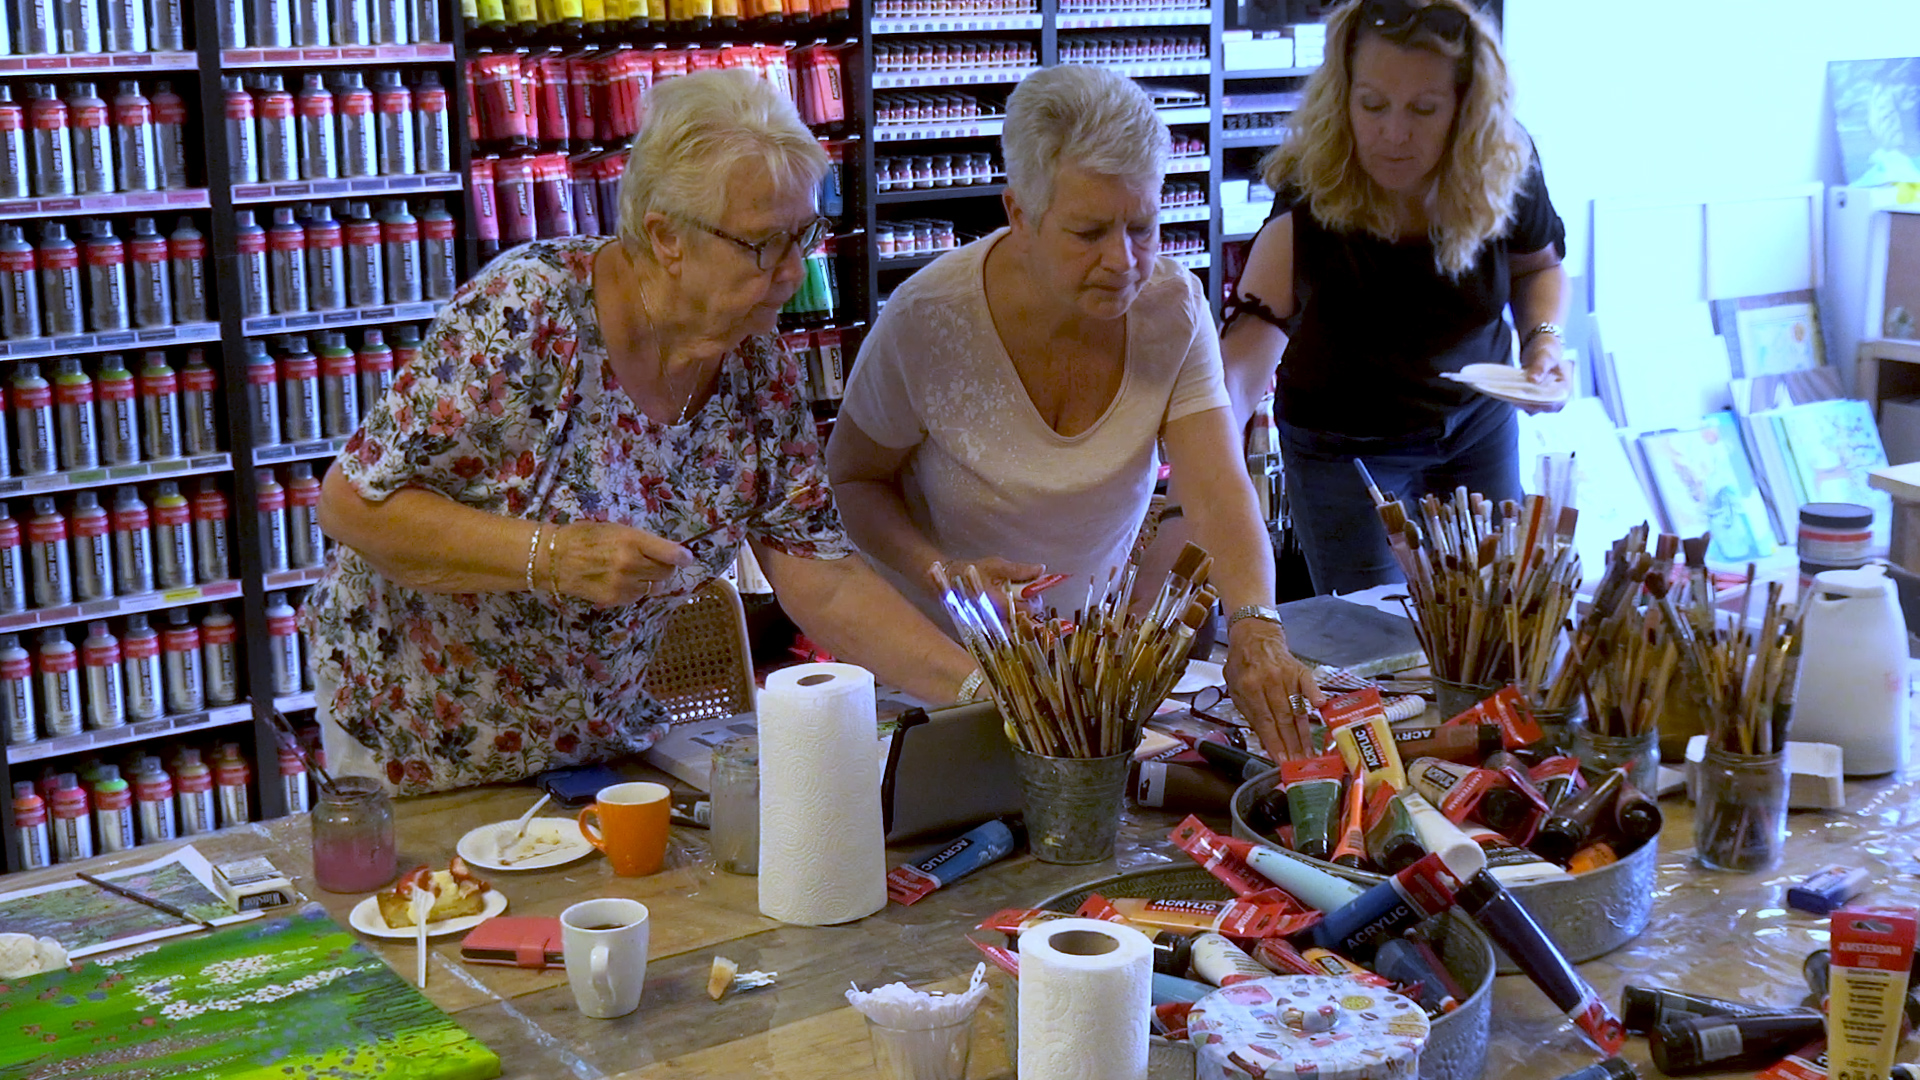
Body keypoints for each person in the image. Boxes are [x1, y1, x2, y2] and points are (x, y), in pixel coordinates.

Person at [305, 69, 980, 796]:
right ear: (666, 237)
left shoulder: (757, 366)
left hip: (596, 747)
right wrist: (553, 557)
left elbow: (825, 580)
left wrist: (986, 694)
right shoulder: (531, 313)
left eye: (805, 235)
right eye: (763, 244)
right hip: (417, 737)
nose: (793, 270)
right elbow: (351, 504)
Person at [827, 65, 1323, 761]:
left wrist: (1256, 623)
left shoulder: (1171, 308)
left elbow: (1215, 488)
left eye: (1142, 226)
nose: (1123, 260)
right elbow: (850, 483)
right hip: (932, 677)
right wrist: (941, 571)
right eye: (1088, 232)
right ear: (1019, 214)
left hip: (1085, 678)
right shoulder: (929, 320)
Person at [1221, 0, 1570, 596]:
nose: (1394, 133)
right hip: (1346, 447)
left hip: (1476, 424)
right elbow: (1240, 366)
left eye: (1424, 109)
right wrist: (1195, 493)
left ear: (1465, 108)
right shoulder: (1315, 194)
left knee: (1491, 615)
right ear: (1344, 97)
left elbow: (1538, 267)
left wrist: (1543, 345)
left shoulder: (1503, 163)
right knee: (1376, 638)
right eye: (1373, 105)